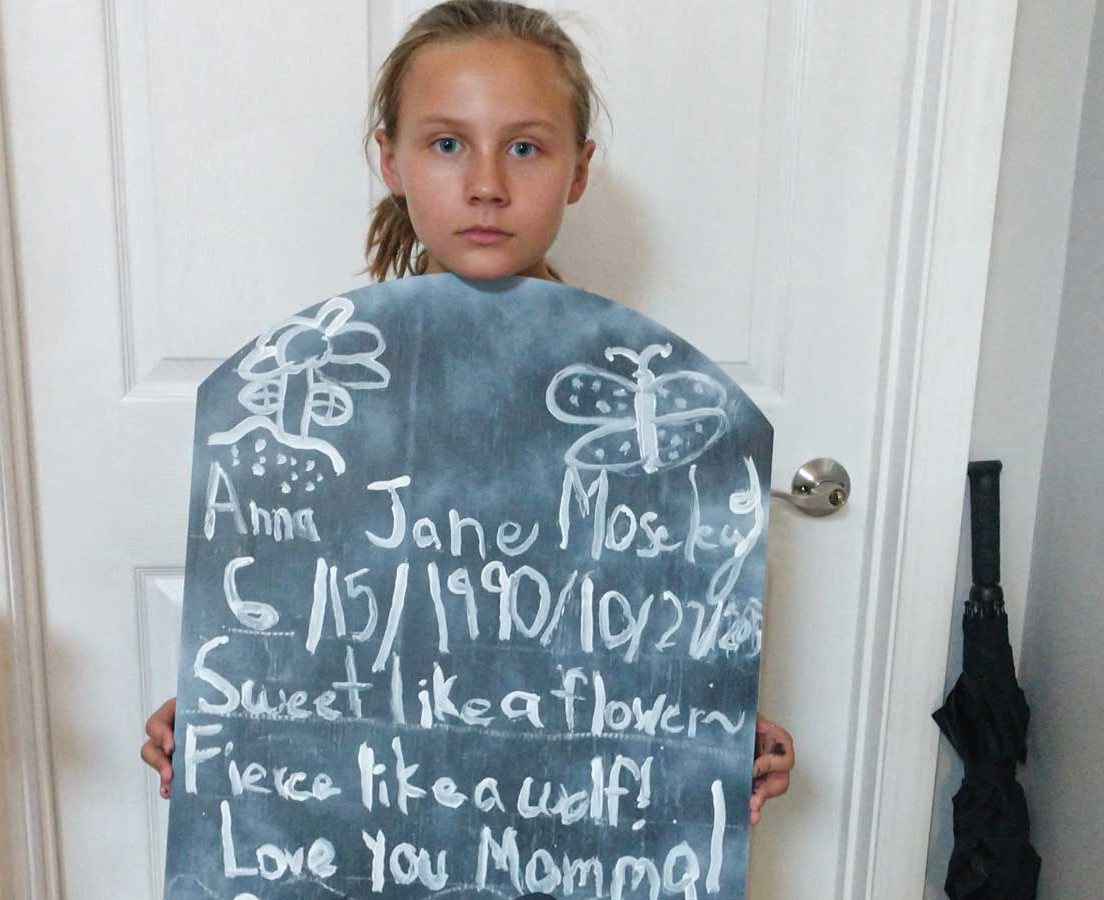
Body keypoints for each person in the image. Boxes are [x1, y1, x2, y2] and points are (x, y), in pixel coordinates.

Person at [141, 0, 795, 828]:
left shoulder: (652, 425)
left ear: (579, 170)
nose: (487, 184)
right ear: (391, 161)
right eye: (447, 144)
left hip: (564, 837)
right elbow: (301, 622)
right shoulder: (308, 400)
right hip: (373, 834)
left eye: (525, 147)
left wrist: (724, 731)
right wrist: (217, 716)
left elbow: (659, 645)